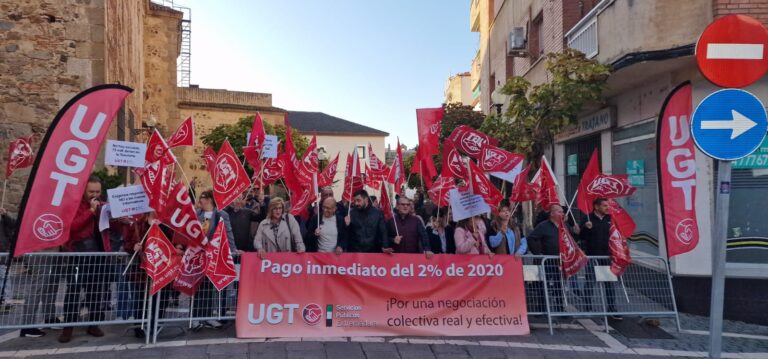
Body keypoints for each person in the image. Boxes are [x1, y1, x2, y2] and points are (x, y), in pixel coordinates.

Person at [58, 176, 110, 343]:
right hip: (78, 254)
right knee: (73, 291)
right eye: (91, 192)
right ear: (84, 191)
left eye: (97, 192)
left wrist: (119, 220)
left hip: (98, 254)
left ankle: (93, 324)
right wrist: (90, 212)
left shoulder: (103, 205)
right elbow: (72, 228)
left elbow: (110, 227)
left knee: (95, 291)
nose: (94, 195)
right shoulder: (75, 206)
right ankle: (68, 327)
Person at [191, 190, 235, 330]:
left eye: (202, 197)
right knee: (198, 287)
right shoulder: (197, 215)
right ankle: (196, 318)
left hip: (214, 257)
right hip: (199, 256)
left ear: (209, 199)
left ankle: (208, 316)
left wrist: (232, 250)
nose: (200, 200)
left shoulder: (221, 214)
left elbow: (228, 233)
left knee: (211, 288)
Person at [527, 204, 579, 313]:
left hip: (560, 262)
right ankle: (542, 309)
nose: (562, 214)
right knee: (543, 285)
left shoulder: (565, 226)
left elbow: (571, 240)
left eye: (562, 212)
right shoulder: (543, 226)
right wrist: (538, 253)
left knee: (559, 286)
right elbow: (531, 238)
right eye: (559, 212)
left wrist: (575, 232)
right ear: (552, 214)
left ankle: (560, 309)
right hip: (546, 261)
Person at [579, 198, 621, 319]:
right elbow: (580, 236)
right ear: (596, 207)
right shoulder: (588, 218)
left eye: (608, 205)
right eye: (604, 205)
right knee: (590, 282)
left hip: (607, 256)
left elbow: (615, 235)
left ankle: (612, 308)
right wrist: (586, 228)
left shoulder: (610, 219)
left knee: (610, 282)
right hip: (592, 256)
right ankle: (587, 306)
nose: (607, 207)